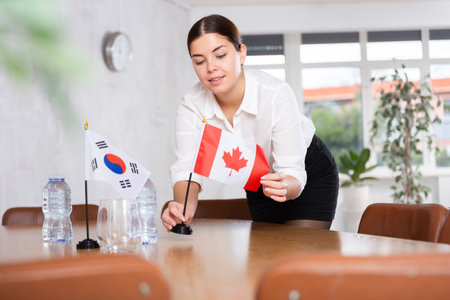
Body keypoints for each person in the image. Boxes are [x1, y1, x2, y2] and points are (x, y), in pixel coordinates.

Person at [161, 14, 338, 231]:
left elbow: (292, 171)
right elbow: (186, 168)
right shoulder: (191, 105)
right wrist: (182, 207)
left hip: (307, 172)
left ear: (241, 53)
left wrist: (284, 186)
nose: (211, 68)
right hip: (260, 181)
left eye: (220, 55)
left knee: (297, 255)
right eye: (199, 61)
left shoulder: (275, 94)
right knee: (265, 255)